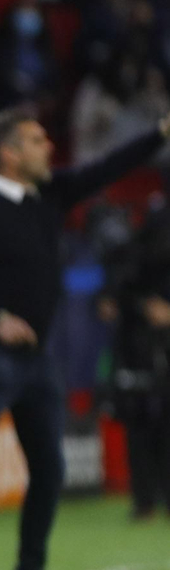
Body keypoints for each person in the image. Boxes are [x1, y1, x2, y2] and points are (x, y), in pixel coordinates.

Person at [0, 106, 170, 570]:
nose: (49, 148)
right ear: (9, 154)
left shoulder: (48, 197)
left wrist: (159, 133)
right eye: (37, 141)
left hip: (38, 360)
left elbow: (105, 170)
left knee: (50, 470)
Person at [103, 196, 170, 519]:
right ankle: (144, 500)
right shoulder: (134, 258)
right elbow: (115, 295)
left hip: (152, 349)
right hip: (139, 350)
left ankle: (152, 500)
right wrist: (143, 307)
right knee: (140, 423)